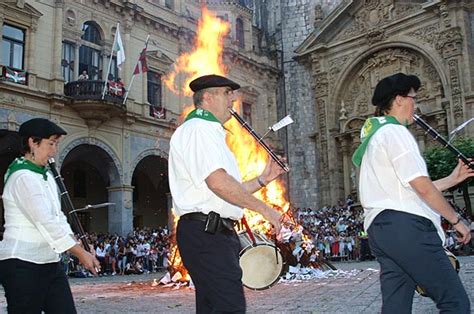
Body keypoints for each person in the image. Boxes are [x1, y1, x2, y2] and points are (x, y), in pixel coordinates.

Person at [352, 73, 474, 313]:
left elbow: (403, 188)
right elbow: (421, 186)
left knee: (396, 306)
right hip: (407, 227)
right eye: (412, 98)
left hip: (382, 230)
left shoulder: (377, 137)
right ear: (399, 99)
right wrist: (457, 220)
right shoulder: (395, 133)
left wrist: (452, 178)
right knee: (455, 302)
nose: (415, 105)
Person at [169, 74, 286, 313]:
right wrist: (265, 210)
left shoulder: (209, 132)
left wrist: (263, 179)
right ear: (208, 98)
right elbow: (219, 184)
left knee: (214, 307)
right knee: (229, 306)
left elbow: (227, 190)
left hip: (213, 233)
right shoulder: (199, 129)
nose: (233, 99)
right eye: (226, 93)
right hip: (207, 234)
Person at [0, 118, 100, 313]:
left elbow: (58, 218)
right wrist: (80, 254)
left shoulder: (44, 175)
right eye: (51, 144)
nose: (54, 151)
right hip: (22, 263)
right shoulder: (22, 177)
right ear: (32, 142)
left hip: (50, 262)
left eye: (56, 144)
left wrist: (81, 245)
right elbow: (44, 221)